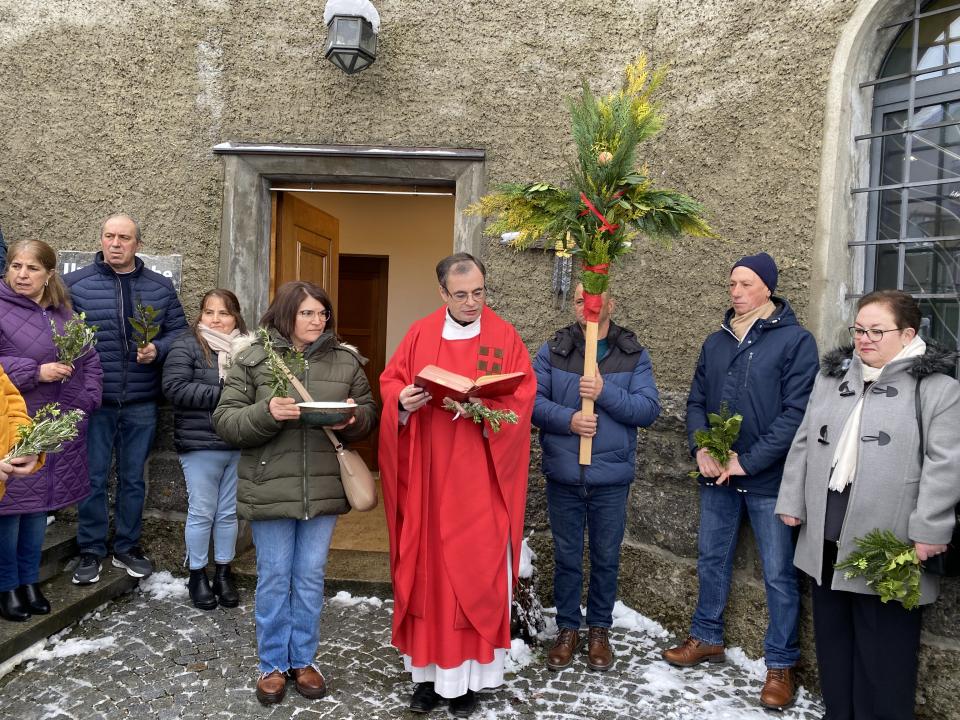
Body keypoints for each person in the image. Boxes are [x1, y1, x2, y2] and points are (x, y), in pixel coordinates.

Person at [776, 290, 960, 720]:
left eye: (877, 331)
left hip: (891, 542)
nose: (864, 339)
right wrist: (792, 500)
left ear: (908, 334)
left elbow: (946, 464)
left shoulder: (938, 388)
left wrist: (930, 529)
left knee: (885, 656)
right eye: (859, 329)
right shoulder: (834, 377)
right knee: (834, 643)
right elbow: (804, 441)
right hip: (826, 534)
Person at [379, 253, 536, 718]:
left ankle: (466, 682)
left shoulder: (503, 335)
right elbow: (391, 383)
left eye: (480, 292)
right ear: (443, 294)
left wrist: (487, 414)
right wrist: (402, 402)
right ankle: (427, 679)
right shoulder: (420, 334)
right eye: (462, 294)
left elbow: (523, 395)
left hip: (480, 478)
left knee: (472, 573)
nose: (472, 303)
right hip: (427, 475)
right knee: (428, 573)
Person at [662, 252, 819, 710]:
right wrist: (702, 449)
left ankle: (780, 664)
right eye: (732, 283)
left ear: (767, 288)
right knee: (712, 558)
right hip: (718, 478)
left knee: (778, 575)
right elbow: (695, 402)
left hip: (768, 479)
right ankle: (706, 636)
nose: (735, 291)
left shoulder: (795, 341)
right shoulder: (716, 341)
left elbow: (797, 414)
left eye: (745, 284)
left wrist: (747, 460)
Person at [213, 280, 377, 705]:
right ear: (286, 314)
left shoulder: (345, 360)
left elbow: (368, 412)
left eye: (322, 313)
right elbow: (226, 421)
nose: (317, 320)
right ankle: (271, 663)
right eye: (307, 313)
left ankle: (303, 659)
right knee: (273, 579)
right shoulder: (252, 358)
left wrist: (353, 421)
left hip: (322, 487)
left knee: (308, 578)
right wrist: (266, 412)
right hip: (269, 487)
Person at [532, 284, 660, 672]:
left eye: (593, 298)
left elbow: (647, 409)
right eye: (577, 299)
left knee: (606, 557)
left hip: (610, 477)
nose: (585, 305)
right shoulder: (554, 350)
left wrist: (604, 393)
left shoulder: (632, 353)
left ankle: (599, 628)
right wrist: (568, 419)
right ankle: (568, 627)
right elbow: (532, 402)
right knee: (568, 556)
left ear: (611, 303)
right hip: (565, 474)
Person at [65, 213, 188, 584]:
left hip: (141, 400)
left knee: (133, 479)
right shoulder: (74, 285)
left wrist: (159, 349)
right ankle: (90, 550)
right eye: (109, 236)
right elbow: (57, 336)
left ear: (138, 244)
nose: (115, 243)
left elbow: (180, 333)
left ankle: (128, 546)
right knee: (94, 477)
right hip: (95, 401)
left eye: (124, 238)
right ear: (101, 240)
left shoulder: (159, 287)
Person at [0, 240, 102, 621]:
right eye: (15, 266)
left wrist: (86, 402)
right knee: (10, 511)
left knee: (37, 511)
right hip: (13, 424)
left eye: (31, 268)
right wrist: (34, 371)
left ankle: (29, 581)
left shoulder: (63, 314)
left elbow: (90, 361)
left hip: (54, 428)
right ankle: (7, 586)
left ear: (48, 275)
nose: (22, 274)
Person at [163, 289, 253, 611]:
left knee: (229, 514)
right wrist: (225, 394)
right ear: (200, 315)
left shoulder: (250, 348)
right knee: (202, 512)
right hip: (200, 443)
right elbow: (174, 388)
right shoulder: (186, 345)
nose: (216, 319)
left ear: (236, 317)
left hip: (237, 442)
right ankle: (198, 575)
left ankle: (224, 573)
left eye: (224, 313)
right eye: (209, 312)